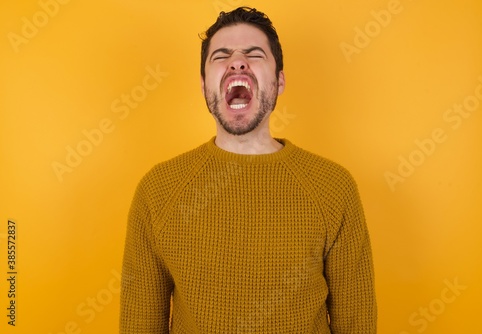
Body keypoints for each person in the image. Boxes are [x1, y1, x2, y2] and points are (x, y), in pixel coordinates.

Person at [120, 7, 377, 333]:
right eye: (221, 56)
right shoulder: (157, 190)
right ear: (203, 85)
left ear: (279, 81)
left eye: (254, 55)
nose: (237, 63)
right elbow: (139, 323)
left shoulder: (333, 187)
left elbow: (357, 323)